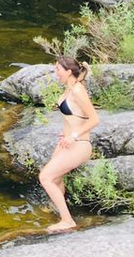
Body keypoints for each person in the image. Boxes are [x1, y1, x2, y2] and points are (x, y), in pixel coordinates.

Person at [38, 56, 99, 233]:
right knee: (55, 178)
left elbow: (95, 118)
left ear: (68, 71)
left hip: (79, 144)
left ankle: (67, 220)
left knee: (45, 177)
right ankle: (60, 212)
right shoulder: (69, 88)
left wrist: (73, 135)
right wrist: (66, 133)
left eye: (57, 69)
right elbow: (74, 117)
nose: (55, 72)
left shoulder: (78, 90)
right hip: (68, 141)